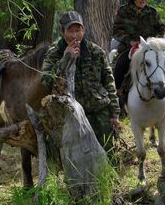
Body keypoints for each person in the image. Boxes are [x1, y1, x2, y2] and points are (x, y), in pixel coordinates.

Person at [41, 11, 122, 151]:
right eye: (70, 31)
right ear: (62, 31)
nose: (74, 36)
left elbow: (109, 82)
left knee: (108, 153)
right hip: (71, 115)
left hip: (99, 111)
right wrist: (65, 59)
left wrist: (114, 113)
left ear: (83, 30)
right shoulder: (54, 53)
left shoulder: (96, 52)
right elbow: (46, 81)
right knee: (78, 157)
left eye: (78, 30)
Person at [112, 0, 165, 94]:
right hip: (129, 47)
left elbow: (161, 28)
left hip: (151, 47)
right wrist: (130, 41)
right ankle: (118, 93)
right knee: (120, 65)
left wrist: (155, 42)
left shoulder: (152, 12)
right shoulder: (123, 11)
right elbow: (116, 30)